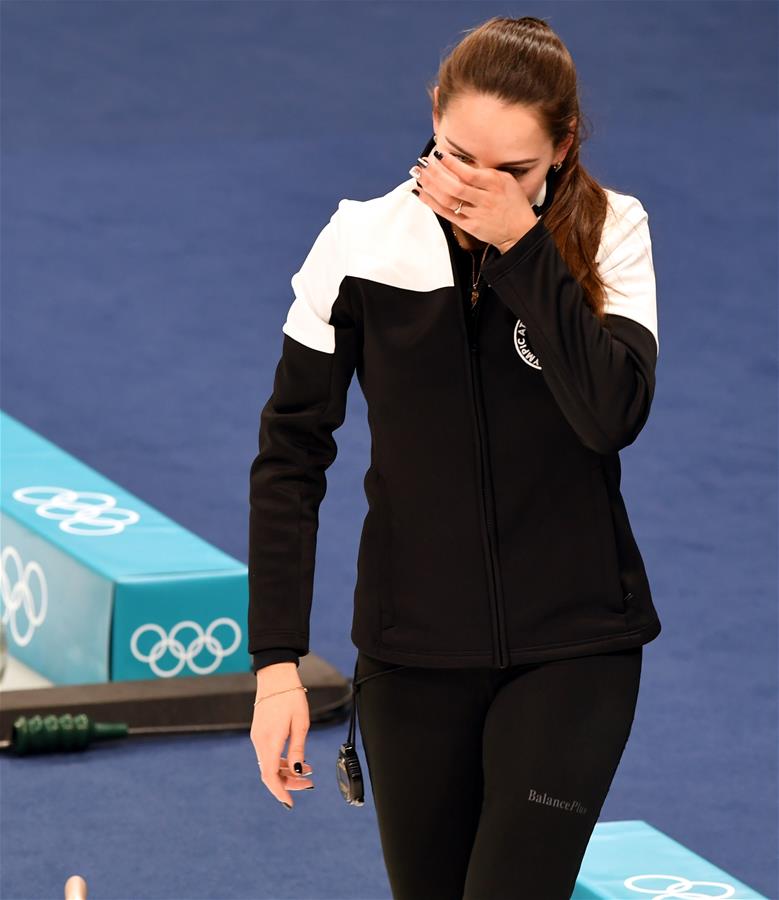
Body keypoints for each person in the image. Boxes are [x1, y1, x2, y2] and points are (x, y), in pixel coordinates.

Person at [248, 14, 661, 898]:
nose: (475, 186)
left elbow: (610, 414)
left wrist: (523, 249)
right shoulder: (359, 242)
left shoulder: (610, 233)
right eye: (455, 155)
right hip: (410, 659)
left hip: (575, 651)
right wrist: (275, 662)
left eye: (511, 170)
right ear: (433, 112)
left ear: (563, 145)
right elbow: (290, 452)